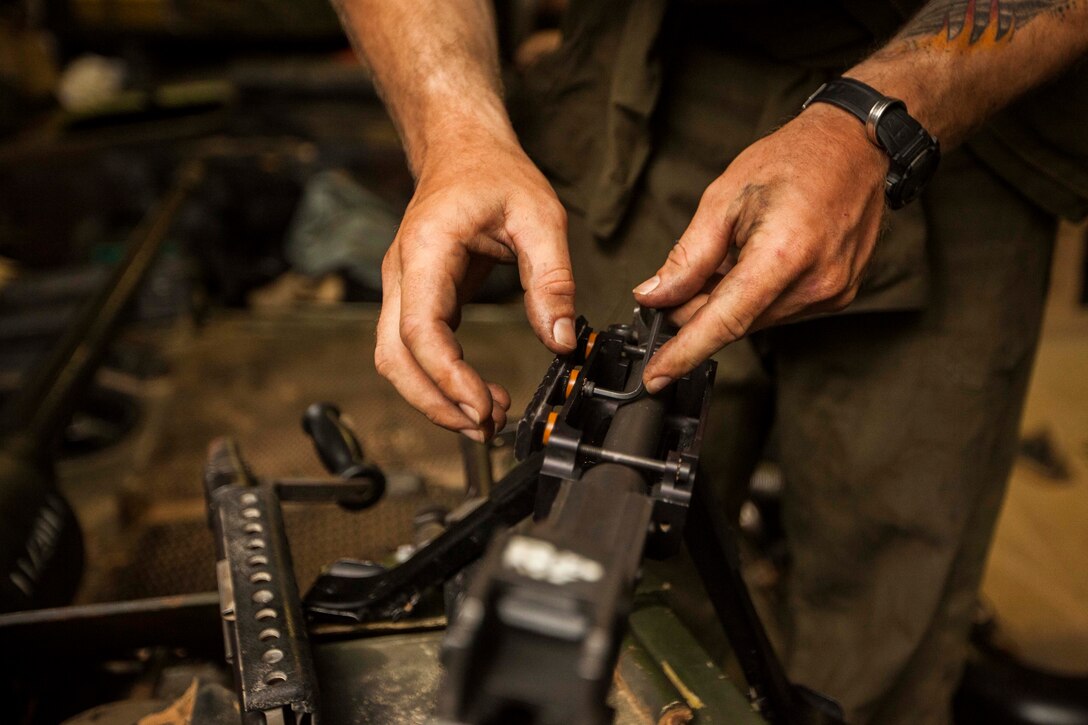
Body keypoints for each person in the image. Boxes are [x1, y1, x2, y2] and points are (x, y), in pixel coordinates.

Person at [330, 1, 1088, 721]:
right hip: (658, 63)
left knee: (880, 628)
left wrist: (880, 122)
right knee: (633, 621)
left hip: (965, 97)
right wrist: (455, 129)